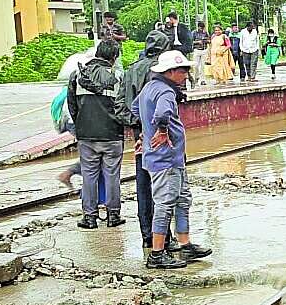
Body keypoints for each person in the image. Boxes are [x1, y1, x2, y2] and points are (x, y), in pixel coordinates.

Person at [137, 49, 212, 269]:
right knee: (165, 203)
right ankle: (157, 254)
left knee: (182, 199)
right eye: (183, 71)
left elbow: (135, 110)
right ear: (171, 72)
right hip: (165, 159)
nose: (186, 75)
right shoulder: (166, 92)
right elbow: (162, 114)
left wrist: (144, 133)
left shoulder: (148, 88)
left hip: (171, 158)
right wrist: (160, 130)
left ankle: (184, 244)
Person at [116, 29, 174, 251]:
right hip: (159, 134)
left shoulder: (131, 70)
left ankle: (147, 236)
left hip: (139, 134)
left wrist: (136, 126)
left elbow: (120, 105)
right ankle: (164, 238)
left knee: (143, 185)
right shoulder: (162, 73)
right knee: (165, 186)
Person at [68, 38, 125, 229]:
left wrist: (81, 126)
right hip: (112, 135)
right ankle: (113, 216)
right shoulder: (117, 76)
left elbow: (72, 106)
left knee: (89, 176)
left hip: (86, 135)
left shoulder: (77, 74)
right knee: (112, 176)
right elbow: (123, 106)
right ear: (114, 57)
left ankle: (90, 217)